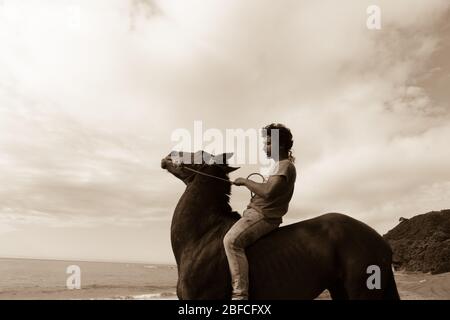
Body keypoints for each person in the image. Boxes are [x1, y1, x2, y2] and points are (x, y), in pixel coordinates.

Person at [223, 123, 297, 300]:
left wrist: (244, 181)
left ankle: (240, 295)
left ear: (279, 144)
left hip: (263, 216)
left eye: (269, 143)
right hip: (258, 213)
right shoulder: (280, 166)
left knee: (231, 241)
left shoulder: (284, 165)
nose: (265, 147)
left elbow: (268, 192)